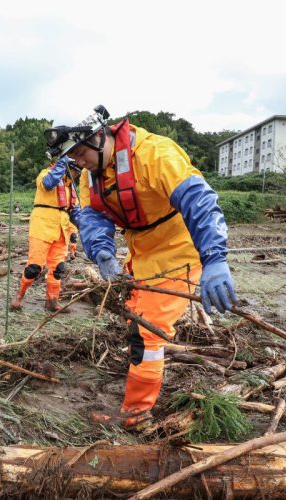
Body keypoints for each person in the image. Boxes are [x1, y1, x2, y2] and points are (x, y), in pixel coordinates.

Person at [44, 106, 237, 429]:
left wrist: (214, 258)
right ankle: (138, 399)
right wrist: (103, 253)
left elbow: (199, 201)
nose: (78, 161)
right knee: (138, 327)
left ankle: (136, 415)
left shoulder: (155, 154)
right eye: (72, 156)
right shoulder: (95, 173)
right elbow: (93, 216)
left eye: (79, 152)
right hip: (143, 254)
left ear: (97, 135)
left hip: (179, 251)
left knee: (146, 335)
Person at [10, 157, 80, 313]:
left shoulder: (70, 188)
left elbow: (73, 210)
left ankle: (51, 301)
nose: (76, 175)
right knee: (34, 268)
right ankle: (19, 296)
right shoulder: (45, 174)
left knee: (58, 269)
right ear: (68, 168)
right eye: (75, 171)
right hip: (42, 227)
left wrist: (84, 224)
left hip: (62, 230)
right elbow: (48, 184)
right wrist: (61, 164)